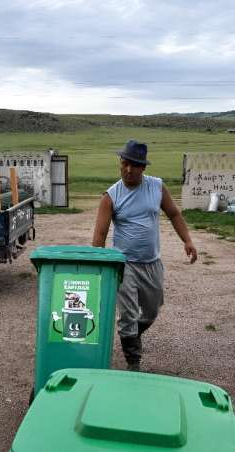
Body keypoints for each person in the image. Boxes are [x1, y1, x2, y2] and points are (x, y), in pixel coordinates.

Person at [91, 139, 197, 371]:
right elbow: (99, 235)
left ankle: (130, 336)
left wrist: (187, 240)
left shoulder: (156, 187)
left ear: (143, 167)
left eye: (135, 165)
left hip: (151, 263)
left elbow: (174, 214)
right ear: (120, 162)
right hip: (123, 263)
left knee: (151, 310)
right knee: (128, 313)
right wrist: (97, 270)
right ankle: (133, 361)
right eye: (125, 163)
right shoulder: (111, 196)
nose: (128, 169)